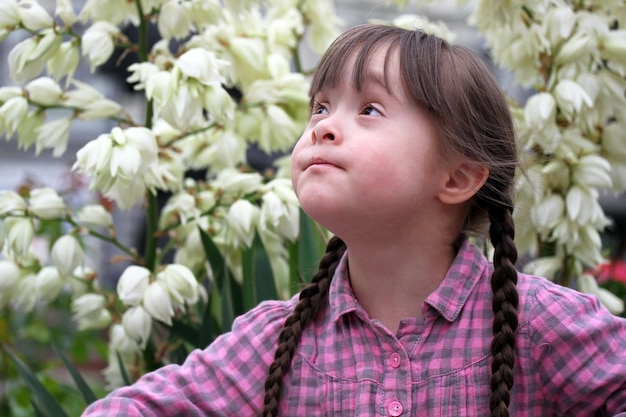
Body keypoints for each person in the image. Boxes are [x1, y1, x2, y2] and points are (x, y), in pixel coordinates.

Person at [81, 23, 626, 417]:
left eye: (369, 109)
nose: (322, 127)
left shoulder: (538, 325)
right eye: (320, 107)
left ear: (457, 178)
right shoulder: (276, 342)